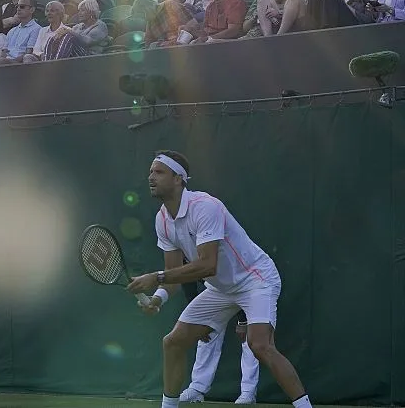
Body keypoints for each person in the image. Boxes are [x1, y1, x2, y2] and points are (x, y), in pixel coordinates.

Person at [126, 151, 313, 408]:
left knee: (260, 345)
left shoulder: (205, 206)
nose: (151, 177)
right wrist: (157, 298)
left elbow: (207, 265)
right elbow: (172, 275)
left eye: (158, 172)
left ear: (178, 179)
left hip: (255, 279)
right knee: (173, 342)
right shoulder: (162, 220)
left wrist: (155, 277)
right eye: (150, 172)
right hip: (220, 288)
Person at [178, 278, 259, 404]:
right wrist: (199, 319)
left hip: (249, 287)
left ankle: (248, 392)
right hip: (217, 290)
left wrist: (243, 321)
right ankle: (197, 389)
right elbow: (189, 285)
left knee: (251, 336)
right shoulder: (183, 259)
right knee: (206, 332)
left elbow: (237, 281)